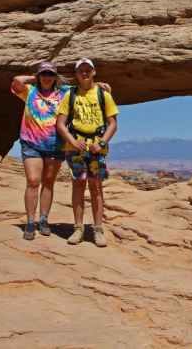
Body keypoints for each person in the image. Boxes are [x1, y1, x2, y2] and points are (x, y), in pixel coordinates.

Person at [12, 61, 110, 240]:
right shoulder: (30, 91)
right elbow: (17, 80)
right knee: (33, 181)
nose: (47, 77)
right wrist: (37, 77)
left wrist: (97, 84)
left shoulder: (64, 92)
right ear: (39, 76)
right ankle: (30, 222)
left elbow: (83, 86)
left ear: (55, 77)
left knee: (48, 182)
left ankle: (43, 220)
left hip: (55, 144)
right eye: (44, 74)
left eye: (50, 74)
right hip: (31, 143)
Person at [56, 58, 118, 247]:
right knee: (78, 186)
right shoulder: (71, 95)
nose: (84, 73)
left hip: (96, 148)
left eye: (87, 70)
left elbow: (113, 124)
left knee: (96, 188)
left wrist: (101, 143)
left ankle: (98, 230)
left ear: (94, 72)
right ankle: (78, 229)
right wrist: (74, 142)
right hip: (75, 148)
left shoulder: (103, 95)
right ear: (76, 74)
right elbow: (60, 123)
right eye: (81, 71)